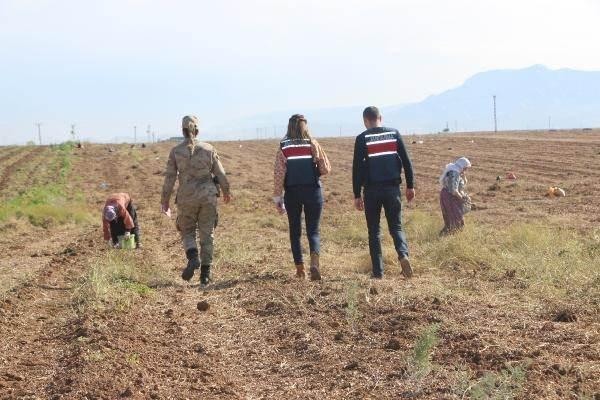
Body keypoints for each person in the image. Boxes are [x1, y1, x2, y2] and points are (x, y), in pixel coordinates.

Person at [161, 116, 231, 285]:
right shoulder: (209, 149)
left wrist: (165, 200)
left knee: (187, 232)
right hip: (208, 197)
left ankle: (193, 257)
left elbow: (170, 178)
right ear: (197, 130)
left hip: (186, 198)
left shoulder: (176, 151)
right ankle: (205, 275)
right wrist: (226, 191)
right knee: (208, 234)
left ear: (182, 131)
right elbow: (220, 174)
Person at [352, 106, 415, 279]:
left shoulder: (362, 138)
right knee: (396, 227)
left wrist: (357, 194)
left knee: (374, 231)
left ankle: (378, 272)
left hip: (371, 191)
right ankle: (403, 255)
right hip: (392, 189)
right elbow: (407, 162)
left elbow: (357, 169)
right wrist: (410, 186)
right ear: (381, 117)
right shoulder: (394, 134)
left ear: (365, 121)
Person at [273, 114, 331, 280]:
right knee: (313, 230)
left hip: (292, 193)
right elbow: (326, 168)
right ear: (305, 126)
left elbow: (278, 174)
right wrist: (314, 170)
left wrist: (278, 197)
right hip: (313, 190)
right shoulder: (312, 143)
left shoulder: (283, 146)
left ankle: (300, 270)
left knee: (295, 231)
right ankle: (314, 262)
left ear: (289, 127)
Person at [439, 157, 472, 235]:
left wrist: (463, 176)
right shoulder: (454, 173)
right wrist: (461, 199)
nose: (466, 170)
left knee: (454, 219)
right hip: (449, 197)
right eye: (465, 168)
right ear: (462, 166)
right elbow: (453, 190)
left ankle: (448, 236)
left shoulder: (457, 171)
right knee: (455, 220)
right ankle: (448, 237)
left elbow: (462, 183)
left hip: (451, 196)